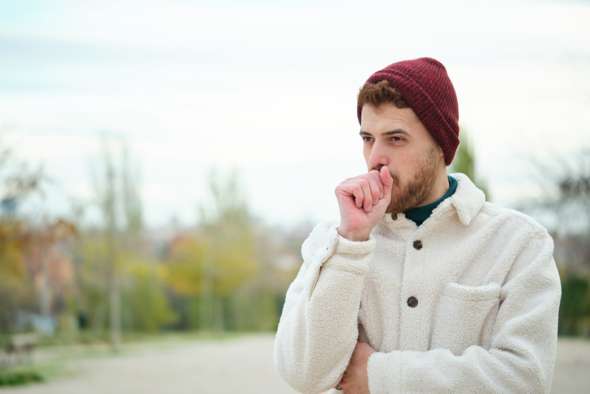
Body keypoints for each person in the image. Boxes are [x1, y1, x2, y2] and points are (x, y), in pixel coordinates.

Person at [272, 57, 563, 394]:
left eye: (395, 139)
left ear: (441, 146)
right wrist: (351, 245)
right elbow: (303, 375)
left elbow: (525, 378)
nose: (375, 157)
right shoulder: (334, 239)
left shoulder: (519, 243)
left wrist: (380, 376)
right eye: (368, 138)